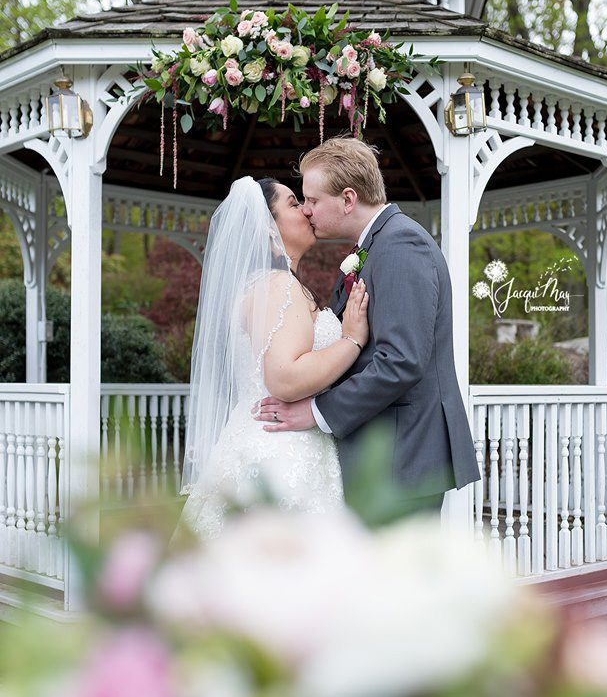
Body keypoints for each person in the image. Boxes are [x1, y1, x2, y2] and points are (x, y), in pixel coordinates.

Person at [253, 136, 481, 513]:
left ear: (347, 199)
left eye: (312, 200)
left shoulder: (401, 244)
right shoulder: (375, 246)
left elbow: (402, 360)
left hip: (401, 457)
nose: (307, 210)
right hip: (383, 455)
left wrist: (316, 411)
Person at [174, 174, 369, 541]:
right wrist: (352, 341)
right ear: (268, 228)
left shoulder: (265, 284)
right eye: (295, 203)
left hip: (274, 441)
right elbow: (285, 378)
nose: (307, 210)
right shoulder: (277, 286)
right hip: (279, 452)